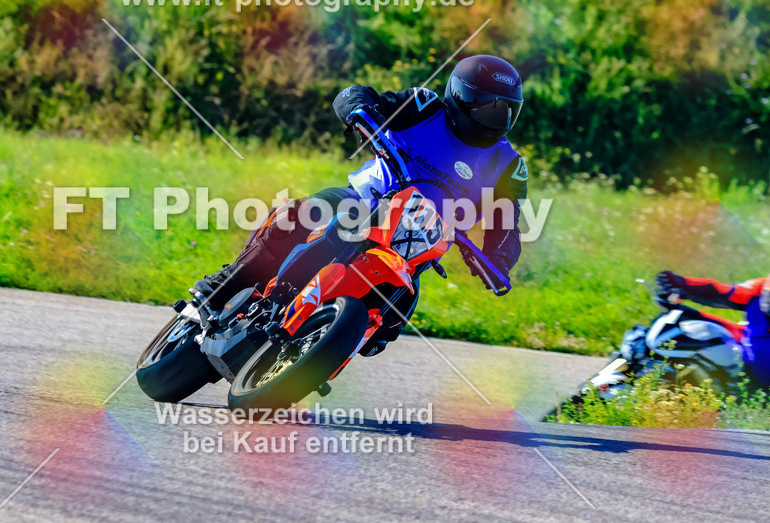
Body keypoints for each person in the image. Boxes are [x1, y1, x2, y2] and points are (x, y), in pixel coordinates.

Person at [196, 54, 529, 352]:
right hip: (363, 201)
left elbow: (506, 224)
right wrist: (359, 111)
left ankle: (328, 346)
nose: (497, 119)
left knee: (393, 320)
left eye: (507, 111)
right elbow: (358, 96)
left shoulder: (509, 166)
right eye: (488, 108)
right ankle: (224, 284)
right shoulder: (423, 108)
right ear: (460, 96)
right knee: (295, 218)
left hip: (416, 248)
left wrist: (499, 259)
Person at [656, 262, 770, 397]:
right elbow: (720, 292)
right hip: (746, 350)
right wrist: (681, 283)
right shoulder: (758, 289)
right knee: (681, 316)